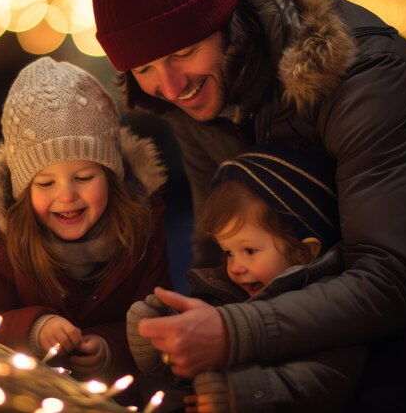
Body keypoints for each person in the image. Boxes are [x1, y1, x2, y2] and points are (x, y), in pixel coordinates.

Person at [91, 0, 406, 410]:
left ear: (225, 25)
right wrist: (180, 325)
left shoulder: (364, 74)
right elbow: (216, 250)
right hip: (315, 320)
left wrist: (233, 332)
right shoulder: (187, 98)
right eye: (144, 67)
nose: (169, 87)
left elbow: (395, 278)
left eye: (184, 51)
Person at [0, 57, 172, 404]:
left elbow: (155, 319)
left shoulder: (140, 230)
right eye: (45, 182)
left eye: (83, 177)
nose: (66, 195)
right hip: (12, 398)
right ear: (22, 189)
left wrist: (109, 348)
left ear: (111, 175)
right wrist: (32, 330)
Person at [127, 144, 364, 412]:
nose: (235, 268)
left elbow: (329, 380)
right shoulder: (224, 294)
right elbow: (186, 372)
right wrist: (160, 345)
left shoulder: (325, 308)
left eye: (249, 250)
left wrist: (246, 392)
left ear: (303, 252)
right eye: (228, 252)